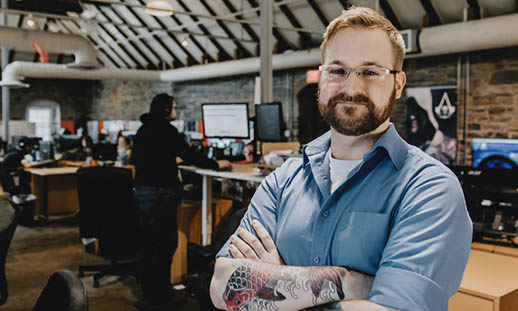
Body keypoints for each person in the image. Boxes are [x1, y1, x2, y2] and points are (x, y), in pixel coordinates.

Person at [210, 7, 472, 311]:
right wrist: (347, 282)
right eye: (337, 70)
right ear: (322, 78)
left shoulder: (429, 189)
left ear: (398, 84)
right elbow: (224, 287)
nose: (351, 87)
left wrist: (278, 285)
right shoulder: (284, 180)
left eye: (370, 71)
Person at [132, 93, 231, 306]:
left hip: (141, 192)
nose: (175, 111)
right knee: (166, 245)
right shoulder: (167, 131)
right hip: (161, 194)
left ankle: (150, 295)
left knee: (149, 246)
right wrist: (216, 165)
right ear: (166, 109)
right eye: (174, 107)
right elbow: (190, 155)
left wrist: (166, 156)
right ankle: (162, 297)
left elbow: (138, 158)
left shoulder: (142, 130)